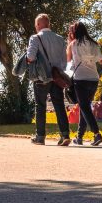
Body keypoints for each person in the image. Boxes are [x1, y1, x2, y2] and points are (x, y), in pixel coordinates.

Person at [66, 22, 102, 146]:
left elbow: (67, 61)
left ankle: (97, 134)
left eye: (71, 31)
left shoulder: (73, 44)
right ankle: (79, 137)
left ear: (74, 32)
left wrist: (69, 43)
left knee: (84, 107)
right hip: (94, 79)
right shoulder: (94, 44)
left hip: (80, 79)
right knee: (85, 107)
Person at [26, 13, 71, 146]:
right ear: (48, 24)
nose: (35, 27)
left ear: (39, 24)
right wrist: (58, 71)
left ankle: (40, 136)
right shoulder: (59, 39)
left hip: (41, 77)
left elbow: (31, 57)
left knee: (40, 106)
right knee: (59, 106)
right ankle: (65, 135)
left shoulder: (35, 38)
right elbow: (64, 61)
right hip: (57, 77)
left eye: (36, 25)